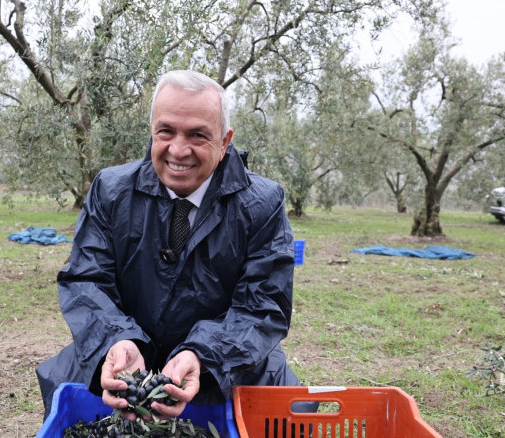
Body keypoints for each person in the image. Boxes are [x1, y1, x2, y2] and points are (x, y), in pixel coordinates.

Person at [36, 69, 306, 418]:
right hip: (126, 360)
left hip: (224, 363)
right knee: (69, 390)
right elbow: (87, 281)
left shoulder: (262, 203)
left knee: (287, 410)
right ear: (151, 132)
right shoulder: (111, 190)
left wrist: (202, 355)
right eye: (166, 132)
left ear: (225, 142)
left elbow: (262, 307)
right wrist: (117, 342)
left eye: (198, 135)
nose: (178, 150)